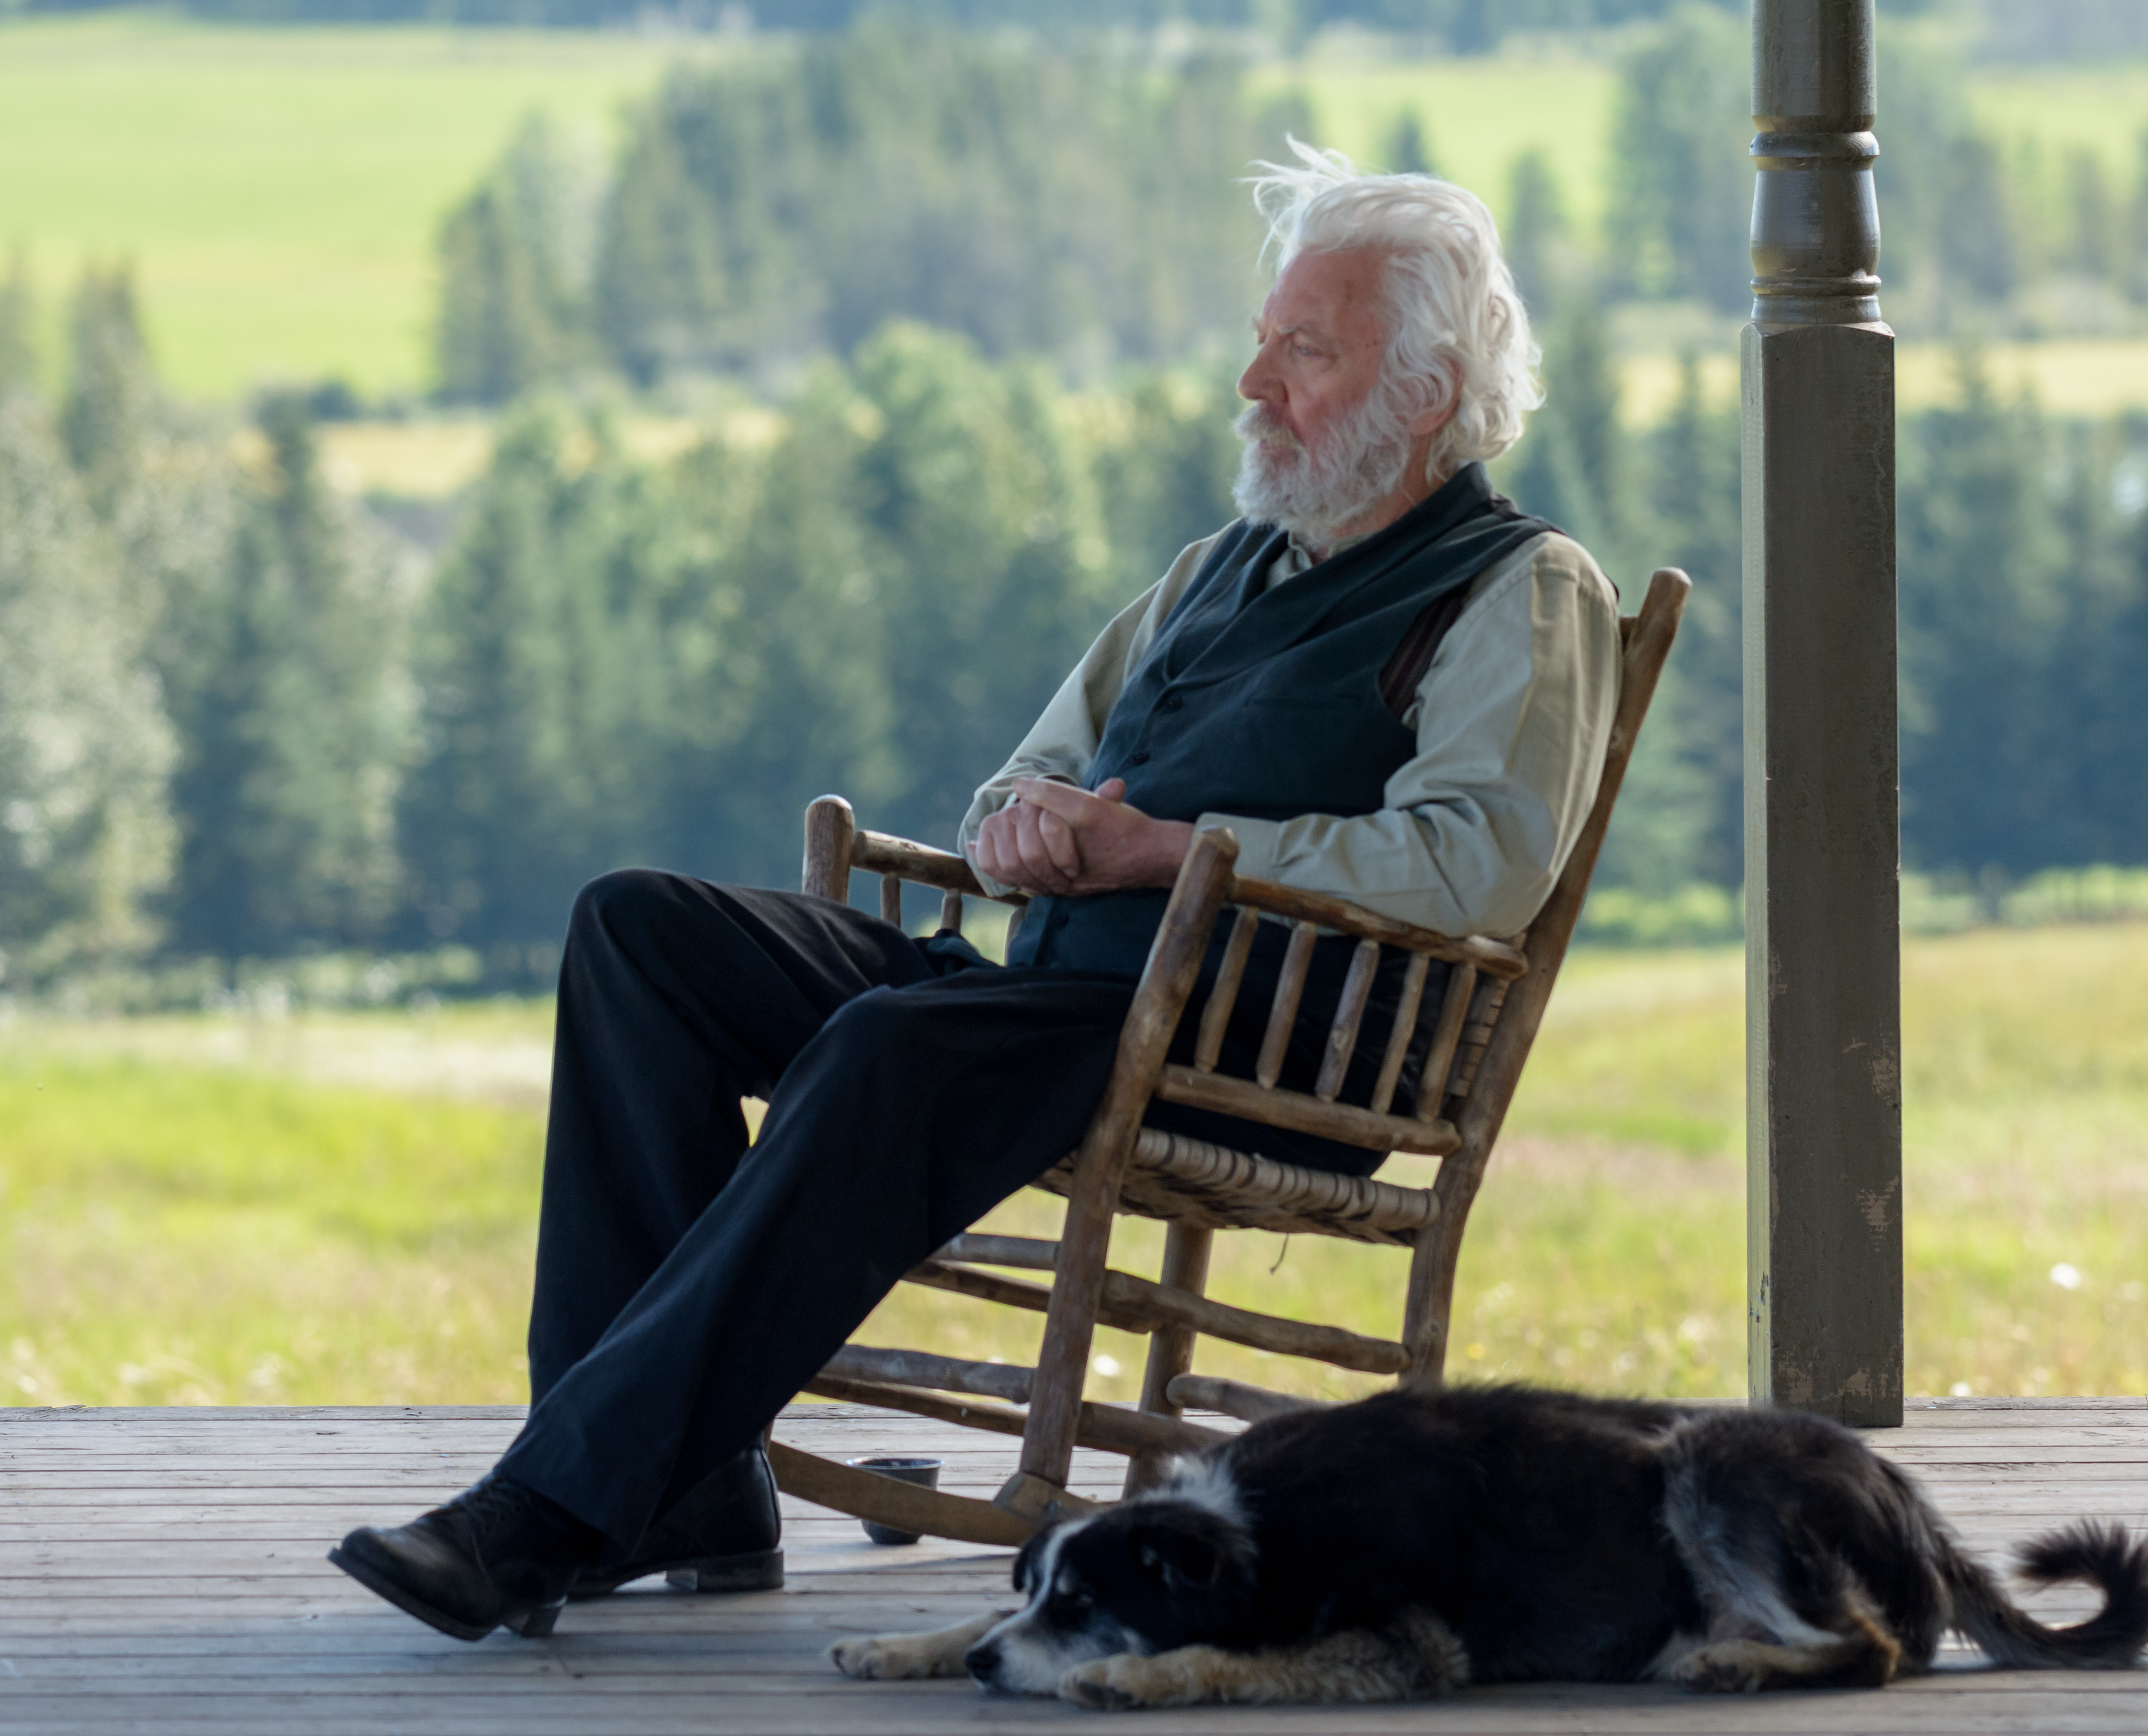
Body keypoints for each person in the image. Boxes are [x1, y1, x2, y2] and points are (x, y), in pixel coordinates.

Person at [328, 141, 1623, 1643]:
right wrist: (1023, 830)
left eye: (1307, 353)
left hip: (1248, 1046)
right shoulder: (1219, 567)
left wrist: (1174, 851)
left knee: (893, 1049)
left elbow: (1483, 864)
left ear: (1433, 393)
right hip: (1054, 1004)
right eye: (1264, 342)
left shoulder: (1516, 588)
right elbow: (1035, 771)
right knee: (642, 931)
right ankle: (683, 1494)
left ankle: (546, 1515)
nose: (1255, 384)